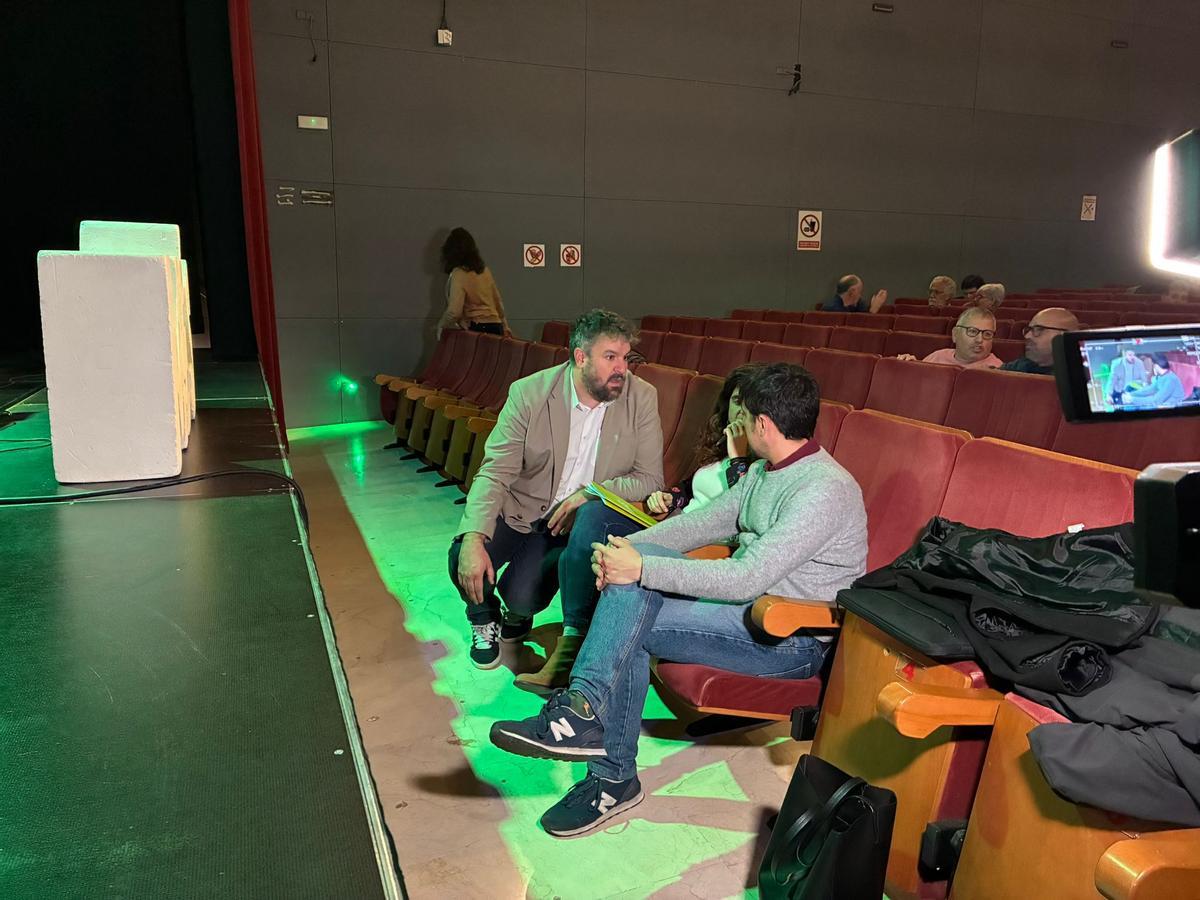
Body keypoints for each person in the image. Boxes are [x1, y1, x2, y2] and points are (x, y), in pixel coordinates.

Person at [488, 363, 868, 837]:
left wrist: (642, 568)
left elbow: (746, 578)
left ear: (763, 424)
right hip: (747, 612)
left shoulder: (823, 490)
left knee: (631, 618)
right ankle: (587, 722)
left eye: (745, 418)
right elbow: (699, 526)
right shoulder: (764, 471)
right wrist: (629, 551)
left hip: (790, 635)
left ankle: (604, 762)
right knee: (629, 597)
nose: (741, 426)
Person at [449, 310, 664, 679]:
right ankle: (483, 617)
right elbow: (495, 470)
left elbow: (649, 478)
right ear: (580, 358)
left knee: (522, 596)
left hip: (568, 525)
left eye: (626, 358)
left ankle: (516, 610)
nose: (622, 369)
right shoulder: (529, 393)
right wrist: (473, 536)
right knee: (462, 557)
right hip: (519, 507)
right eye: (610, 357)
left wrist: (592, 492)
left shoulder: (641, 398)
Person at [547, 365, 761, 694]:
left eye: (749, 403)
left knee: (583, 554)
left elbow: (744, 511)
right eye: (735, 400)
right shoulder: (718, 455)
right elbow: (690, 492)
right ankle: (573, 638)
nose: (740, 410)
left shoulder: (759, 467)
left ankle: (576, 653)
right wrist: (667, 498)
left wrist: (738, 457)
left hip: (698, 551)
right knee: (594, 514)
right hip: (671, 528)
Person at [436, 227, 510, 338]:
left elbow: (454, 311)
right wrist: (505, 326)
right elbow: (498, 302)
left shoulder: (459, 273)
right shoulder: (484, 271)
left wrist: (441, 325)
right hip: (496, 326)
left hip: (477, 327)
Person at [898, 308, 1002, 369]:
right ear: (955, 334)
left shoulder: (998, 370)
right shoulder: (937, 357)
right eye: (972, 331)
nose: (980, 339)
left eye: (987, 334)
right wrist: (910, 367)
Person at [1000, 307, 1080, 375]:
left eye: (1039, 329)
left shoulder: (1083, 375)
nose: (1027, 336)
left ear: (1065, 336)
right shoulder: (1021, 365)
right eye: (1029, 330)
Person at [822, 274, 888, 313]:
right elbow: (854, 327)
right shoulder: (831, 308)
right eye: (859, 292)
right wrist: (873, 310)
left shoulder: (858, 304)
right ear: (852, 292)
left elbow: (864, 318)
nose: (860, 295)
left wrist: (875, 306)